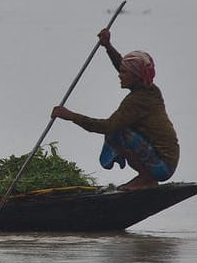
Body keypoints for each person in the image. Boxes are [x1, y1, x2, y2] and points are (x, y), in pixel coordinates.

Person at [51, 28, 179, 191]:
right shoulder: (148, 88)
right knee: (117, 130)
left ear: (135, 76)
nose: (120, 75)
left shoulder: (137, 101)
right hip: (161, 160)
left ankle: (146, 179)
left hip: (162, 166)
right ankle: (144, 177)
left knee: (116, 132)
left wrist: (71, 116)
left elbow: (107, 126)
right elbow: (123, 66)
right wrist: (108, 46)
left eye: (124, 73)